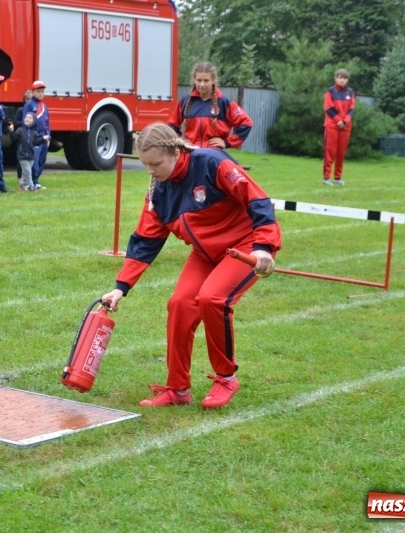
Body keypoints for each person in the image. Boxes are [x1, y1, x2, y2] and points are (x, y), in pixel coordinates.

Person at [101, 123, 281, 409]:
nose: (150, 171)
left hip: (244, 246)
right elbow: (145, 240)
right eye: (145, 164)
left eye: (156, 164)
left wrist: (264, 246)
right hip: (204, 254)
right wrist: (120, 288)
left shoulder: (211, 163)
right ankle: (177, 389)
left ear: (176, 152)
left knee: (212, 298)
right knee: (180, 304)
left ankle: (226, 378)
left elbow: (256, 198)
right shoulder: (158, 192)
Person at [168, 61, 253, 150]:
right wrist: (180, 142)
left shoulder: (224, 102)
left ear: (213, 80)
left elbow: (246, 123)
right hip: (190, 153)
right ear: (194, 80)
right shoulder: (185, 101)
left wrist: (227, 142)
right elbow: (171, 126)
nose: (202, 84)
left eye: (206, 80)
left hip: (214, 155)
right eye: (199, 80)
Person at [323, 68, 355, 186]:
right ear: (336, 78)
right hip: (332, 125)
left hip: (345, 127)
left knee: (341, 153)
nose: (342, 80)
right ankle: (327, 178)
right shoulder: (330, 91)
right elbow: (328, 108)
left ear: (347, 80)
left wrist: (345, 121)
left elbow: (351, 109)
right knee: (330, 151)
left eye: (345, 78)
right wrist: (338, 120)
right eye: (340, 78)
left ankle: (337, 177)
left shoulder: (350, 92)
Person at [21, 81, 50, 190]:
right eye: (38, 91)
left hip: (43, 137)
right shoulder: (29, 105)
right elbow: (26, 121)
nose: (41, 94)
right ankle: (30, 181)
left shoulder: (44, 106)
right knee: (34, 161)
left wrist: (48, 136)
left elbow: (47, 122)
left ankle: (36, 181)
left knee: (42, 159)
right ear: (33, 92)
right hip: (34, 138)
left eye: (42, 91)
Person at [11, 112, 47, 191]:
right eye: (26, 117)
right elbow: (15, 139)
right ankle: (31, 187)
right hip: (22, 155)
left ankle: (22, 186)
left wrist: (43, 138)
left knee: (25, 172)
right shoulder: (20, 130)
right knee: (28, 172)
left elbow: (36, 142)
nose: (27, 119)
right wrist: (11, 132)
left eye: (30, 118)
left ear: (34, 121)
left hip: (31, 156)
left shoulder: (34, 132)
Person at [14, 89, 33, 184]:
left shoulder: (34, 111)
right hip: (22, 137)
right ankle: (20, 177)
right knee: (21, 157)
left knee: (31, 158)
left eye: (31, 99)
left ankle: (29, 177)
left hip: (31, 137)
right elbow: (15, 122)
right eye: (28, 99)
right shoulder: (21, 110)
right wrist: (25, 123)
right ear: (24, 99)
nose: (29, 101)